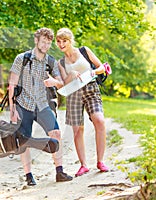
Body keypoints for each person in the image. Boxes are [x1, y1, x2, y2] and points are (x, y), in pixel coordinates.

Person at [8, 27, 73, 186]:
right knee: (23, 139)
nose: (45, 45)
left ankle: (59, 172)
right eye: (43, 42)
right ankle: (29, 176)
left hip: (43, 105)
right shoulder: (21, 59)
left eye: (48, 43)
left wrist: (54, 82)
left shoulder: (51, 61)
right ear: (36, 40)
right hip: (23, 105)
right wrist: (12, 109)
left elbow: (61, 84)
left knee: (56, 133)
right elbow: (12, 83)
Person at [55, 27, 109, 177]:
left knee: (99, 121)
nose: (61, 44)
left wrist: (93, 72)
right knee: (78, 130)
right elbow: (65, 83)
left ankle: (100, 161)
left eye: (64, 41)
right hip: (73, 93)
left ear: (70, 40)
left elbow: (101, 67)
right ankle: (84, 165)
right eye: (58, 41)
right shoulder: (61, 62)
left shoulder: (84, 51)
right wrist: (71, 74)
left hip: (91, 89)